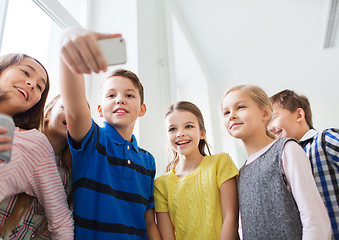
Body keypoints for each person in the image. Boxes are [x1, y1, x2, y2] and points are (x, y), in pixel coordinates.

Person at [59, 27, 160, 239]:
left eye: (129, 95)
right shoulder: (92, 140)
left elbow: (149, 221)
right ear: (99, 110)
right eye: (111, 95)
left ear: (142, 109)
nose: (119, 99)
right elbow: (75, 110)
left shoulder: (148, 160)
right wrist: (68, 49)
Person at [221, 85, 331, 239]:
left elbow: (315, 219)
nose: (231, 116)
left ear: (265, 113)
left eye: (240, 107)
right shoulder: (241, 172)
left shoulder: (287, 149)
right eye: (226, 112)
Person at [0, 53, 73, 239]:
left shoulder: (33, 145)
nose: (32, 84)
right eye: (25, 72)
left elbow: (61, 220)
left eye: (40, 86)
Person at [154, 101, 239, 240]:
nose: (180, 134)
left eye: (188, 126)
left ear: (202, 133)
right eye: (172, 129)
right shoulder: (161, 185)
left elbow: (231, 217)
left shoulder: (220, 163)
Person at [268, 89, 339, 239]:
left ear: (299, 115)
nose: (269, 128)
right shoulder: (284, 162)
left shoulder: (324, 139)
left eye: (273, 117)